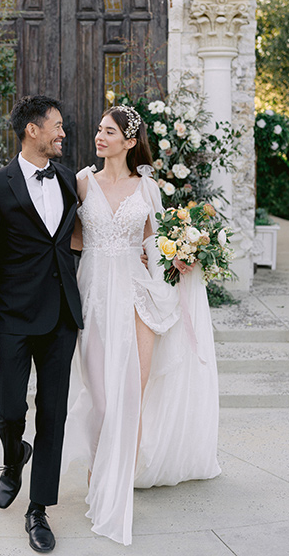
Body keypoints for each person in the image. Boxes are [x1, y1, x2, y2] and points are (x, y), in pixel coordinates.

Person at [62, 105, 221, 546]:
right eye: (99, 130)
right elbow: (72, 238)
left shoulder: (147, 188)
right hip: (94, 295)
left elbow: (158, 243)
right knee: (101, 397)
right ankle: (99, 476)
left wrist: (178, 266)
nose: (100, 137)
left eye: (109, 132)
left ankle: (117, 488)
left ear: (130, 142)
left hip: (137, 298)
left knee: (132, 394)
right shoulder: (81, 182)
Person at [0, 94, 83, 553]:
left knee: (53, 416)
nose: (63, 133)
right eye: (56, 126)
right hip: (13, 320)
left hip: (60, 316)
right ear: (32, 130)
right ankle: (13, 455)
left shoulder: (69, 180)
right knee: (9, 408)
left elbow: (75, 240)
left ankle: (38, 510)